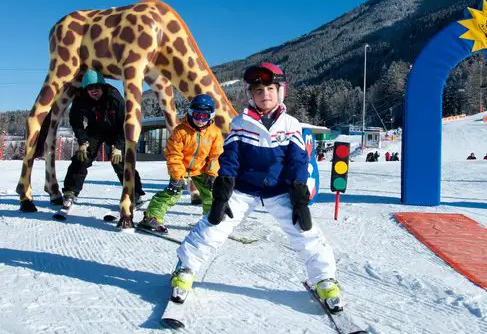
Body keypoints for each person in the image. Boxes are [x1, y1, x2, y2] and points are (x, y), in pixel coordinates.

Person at [169, 62, 341, 311]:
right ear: (251, 95)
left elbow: (298, 160)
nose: (265, 95)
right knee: (214, 225)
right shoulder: (241, 123)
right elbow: (230, 158)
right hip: (244, 189)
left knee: (306, 232)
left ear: (281, 90)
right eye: (258, 91)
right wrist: (222, 192)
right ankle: (185, 268)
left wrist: (300, 194)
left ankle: (324, 279)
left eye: (270, 88)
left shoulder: (291, 124)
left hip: (279, 189)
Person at [138, 94, 223, 231]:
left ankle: (210, 219)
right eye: (197, 115)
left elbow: (215, 155)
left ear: (211, 116)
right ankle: (151, 217)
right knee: (173, 193)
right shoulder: (180, 131)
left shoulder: (214, 133)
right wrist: (177, 177)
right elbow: (173, 154)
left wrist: (212, 173)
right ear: (190, 113)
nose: (200, 120)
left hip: (200, 169)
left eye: (205, 116)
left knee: (210, 194)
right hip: (181, 168)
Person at [61, 70, 145, 208]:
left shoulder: (114, 97)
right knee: (81, 157)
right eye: (90, 88)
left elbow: (125, 122)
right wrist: (82, 141)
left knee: (120, 161)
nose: (94, 91)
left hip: (116, 130)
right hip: (95, 130)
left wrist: (118, 146)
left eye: (97, 87)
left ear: (102, 87)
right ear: (85, 89)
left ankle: (134, 193)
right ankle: (70, 191)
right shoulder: (80, 98)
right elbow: (75, 121)